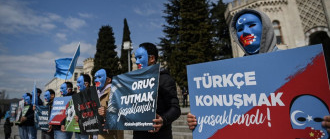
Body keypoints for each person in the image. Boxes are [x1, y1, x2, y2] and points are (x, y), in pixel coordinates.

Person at [187, 8, 330, 133]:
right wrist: (200, 120)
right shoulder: (231, 75)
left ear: (266, 27)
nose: (245, 32)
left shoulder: (300, 65)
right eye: (240, 29)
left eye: (252, 25)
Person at [133, 42, 181, 139]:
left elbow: (175, 108)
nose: (137, 62)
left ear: (152, 58)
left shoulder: (164, 79)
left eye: (140, 58)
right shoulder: (136, 83)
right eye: (135, 58)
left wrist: (162, 119)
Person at [95, 69, 124, 139]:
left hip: (108, 135)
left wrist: (107, 113)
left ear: (108, 80)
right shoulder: (95, 93)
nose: (96, 80)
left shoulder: (115, 92)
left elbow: (122, 114)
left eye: (99, 77)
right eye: (95, 78)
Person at [74, 74, 91, 139]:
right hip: (77, 129)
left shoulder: (92, 95)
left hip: (87, 130)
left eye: (79, 82)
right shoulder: (78, 96)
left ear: (86, 84)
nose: (77, 85)